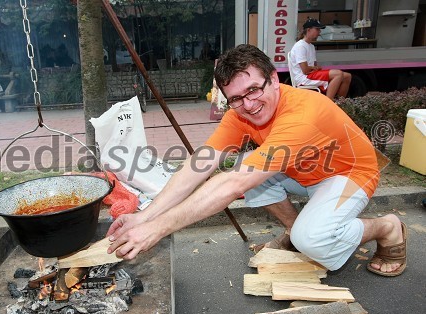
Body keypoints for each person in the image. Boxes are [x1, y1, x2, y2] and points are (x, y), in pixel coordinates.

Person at [106, 44, 407, 277]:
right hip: (302, 171)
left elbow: (233, 184)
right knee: (244, 169)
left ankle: (386, 227)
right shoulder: (240, 113)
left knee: (311, 238)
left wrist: (157, 229)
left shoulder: (302, 115)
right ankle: (295, 231)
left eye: (253, 89)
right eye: (235, 98)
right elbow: (201, 163)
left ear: (274, 79)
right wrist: (144, 217)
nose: (248, 105)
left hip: (349, 173)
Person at [289, 18, 352, 100]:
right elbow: (305, 70)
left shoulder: (311, 46)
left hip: (311, 74)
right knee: (338, 74)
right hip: (304, 78)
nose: (319, 32)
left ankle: (339, 102)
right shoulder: (300, 46)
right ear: (309, 30)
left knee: (347, 76)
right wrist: (314, 68)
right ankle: (329, 103)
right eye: (317, 29)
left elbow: (313, 66)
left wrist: (314, 68)